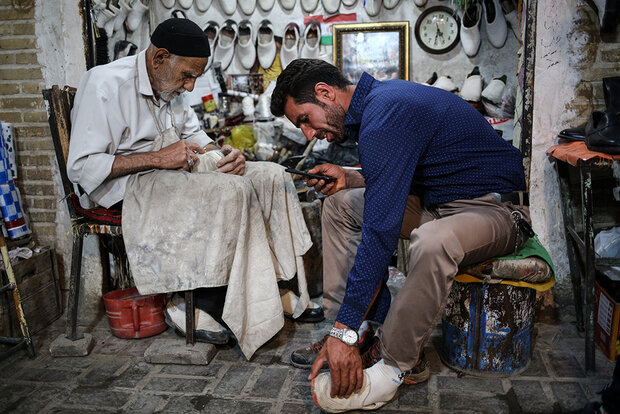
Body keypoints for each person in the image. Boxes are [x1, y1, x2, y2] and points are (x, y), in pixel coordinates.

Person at [270, 58, 531, 412]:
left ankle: (395, 366)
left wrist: (341, 332)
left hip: (495, 211)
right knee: (339, 205)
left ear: (324, 92)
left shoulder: (384, 114)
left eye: (304, 119)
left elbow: (380, 230)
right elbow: (403, 168)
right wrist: (351, 176)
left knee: (433, 240)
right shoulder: (379, 104)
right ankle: (358, 330)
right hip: (438, 204)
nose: (308, 134)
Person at [66, 18, 323, 359]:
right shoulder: (105, 84)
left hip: (169, 173)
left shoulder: (171, 86)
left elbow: (196, 138)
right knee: (230, 192)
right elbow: (82, 168)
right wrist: (157, 158)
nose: (189, 87)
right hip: (122, 187)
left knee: (271, 176)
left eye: (195, 78)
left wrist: (224, 155)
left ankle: (270, 287)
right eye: (186, 76)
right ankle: (191, 304)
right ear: (159, 58)